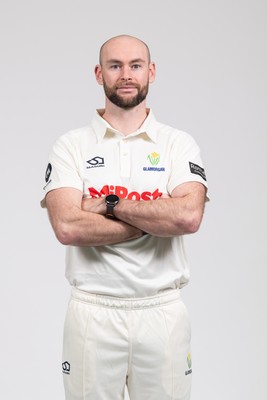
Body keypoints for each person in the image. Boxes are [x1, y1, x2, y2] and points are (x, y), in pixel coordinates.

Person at [41, 34, 208, 400]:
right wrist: (155, 215)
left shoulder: (178, 144)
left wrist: (108, 204)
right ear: (99, 74)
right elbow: (67, 226)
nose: (126, 75)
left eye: (135, 65)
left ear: (151, 71)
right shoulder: (71, 145)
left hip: (161, 310)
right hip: (93, 312)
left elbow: (187, 217)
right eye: (115, 66)